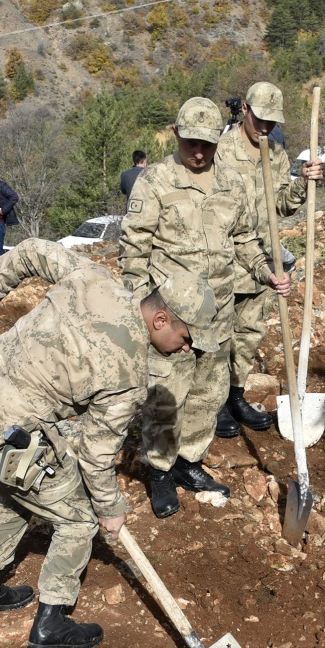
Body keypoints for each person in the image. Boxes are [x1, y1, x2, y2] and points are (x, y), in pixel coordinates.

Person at [0, 239, 215, 648]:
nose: (187, 349)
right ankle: (51, 625)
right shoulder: (127, 374)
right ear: (161, 319)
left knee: (14, 494)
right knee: (79, 519)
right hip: (8, 436)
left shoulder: (95, 278)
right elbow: (95, 457)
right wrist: (110, 509)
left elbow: (31, 250)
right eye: (187, 339)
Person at [120, 97, 290, 518]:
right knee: (167, 397)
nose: (199, 153)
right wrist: (141, 309)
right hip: (171, 316)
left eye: (207, 145)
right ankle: (160, 470)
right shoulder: (156, 181)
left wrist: (265, 272)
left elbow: (244, 239)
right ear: (176, 134)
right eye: (191, 143)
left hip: (218, 311)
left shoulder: (231, 181)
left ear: (218, 140)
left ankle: (188, 460)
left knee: (207, 393)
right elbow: (134, 249)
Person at [213, 81, 322, 438]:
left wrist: (303, 182)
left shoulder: (276, 155)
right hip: (223, 261)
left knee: (247, 335)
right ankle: (213, 404)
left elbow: (282, 205)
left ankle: (235, 396)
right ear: (244, 110)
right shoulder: (220, 150)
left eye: (272, 121)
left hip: (261, 259)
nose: (265, 127)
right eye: (260, 118)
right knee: (217, 335)